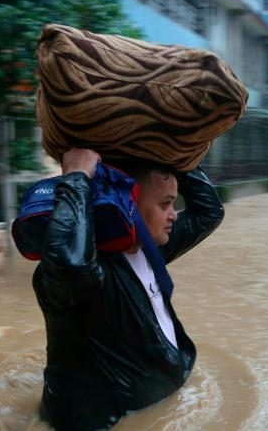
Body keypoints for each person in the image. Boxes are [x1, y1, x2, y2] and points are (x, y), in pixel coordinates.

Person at [33, 148, 224, 430]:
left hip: (162, 410)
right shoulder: (82, 278)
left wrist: (178, 153)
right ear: (129, 203)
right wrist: (76, 178)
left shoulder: (149, 248)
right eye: (165, 204)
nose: (174, 215)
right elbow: (68, 262)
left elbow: (209, 212)